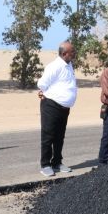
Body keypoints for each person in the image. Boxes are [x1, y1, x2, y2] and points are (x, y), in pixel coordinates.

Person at [37, 41, 77, 177]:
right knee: (48, 135)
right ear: (64, 53)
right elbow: (42, 83)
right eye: (72, 52)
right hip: (51, 105)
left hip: (64, 108)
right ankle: (45, 165)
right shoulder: (54, 66)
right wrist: (44, 92)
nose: (74, 53)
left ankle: (57, 162)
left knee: (60, 136)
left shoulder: (69, 65)